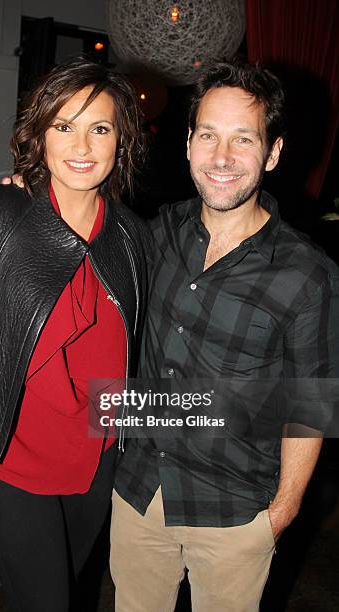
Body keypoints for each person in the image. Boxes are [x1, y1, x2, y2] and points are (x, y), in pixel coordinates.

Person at [0, 57, 149, 612]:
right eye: (63, 125)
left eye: (100, 128)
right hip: (6, 454)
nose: (82, 145)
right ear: (39, 133)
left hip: (95, 459)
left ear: (122, 141)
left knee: (60, 593)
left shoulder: (135, 237)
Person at [110, 60, 339, 611]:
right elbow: (81, 227)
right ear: (188, 143)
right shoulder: (158, 230)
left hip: (236, 512)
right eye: (209, 135)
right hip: (139, 490)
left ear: (274, 153)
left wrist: (278, 517)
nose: (222, 157)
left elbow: (311, 406)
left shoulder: (308, 274)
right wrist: (24, 195)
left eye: (244, 139)